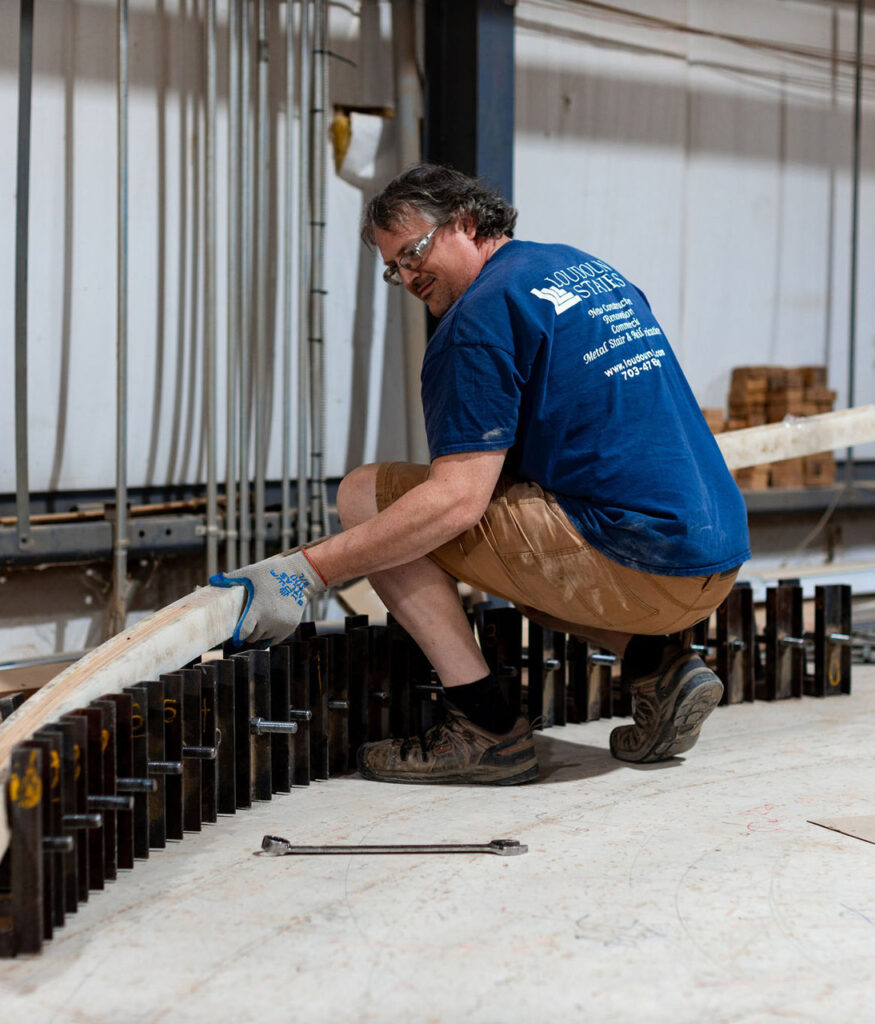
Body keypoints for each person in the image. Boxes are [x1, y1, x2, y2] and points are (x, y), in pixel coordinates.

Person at [210, 163, 750, 786]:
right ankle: (659, 667)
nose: (408, 277)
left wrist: (306, 571)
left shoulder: (477, 319)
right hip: (715, 558)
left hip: (638, 564)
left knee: (368, 494)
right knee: (519, 541)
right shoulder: (578, 267)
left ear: (466, 222)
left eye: (413, 253)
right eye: (394, 268)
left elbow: (456, 503)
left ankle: (484, 727)